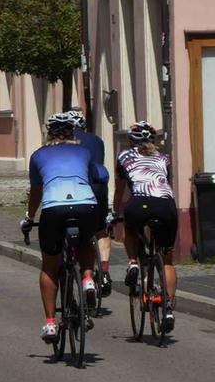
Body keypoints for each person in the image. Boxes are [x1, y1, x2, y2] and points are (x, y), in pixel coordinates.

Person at [21, 112, 106, 343]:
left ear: (49, 134)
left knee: (50, 265)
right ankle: (88, 278)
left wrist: (29, 217)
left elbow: (37, 191)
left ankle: (50, 324)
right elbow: (92, 179)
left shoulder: (38, 155)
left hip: (54, 209)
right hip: (85, 205)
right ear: (72, 133)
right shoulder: (84, 152)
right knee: (86, 241)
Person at [113, 121, 177, 333]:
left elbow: (120, 189)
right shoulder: (163, 158)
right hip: (166, 206)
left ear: (131, 140)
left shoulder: (124, 157)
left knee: (130, 228)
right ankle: (168, 308)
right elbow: (164, 183)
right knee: (167, 259)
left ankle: (132, 261)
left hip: (139, 203)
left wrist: (115, 213)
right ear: (154, 140)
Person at [66, 110, 112, 296]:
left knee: (70, 226)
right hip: (98, 188)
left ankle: (75, 265)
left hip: (74, 190)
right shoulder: (97, 141)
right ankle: (105, 270)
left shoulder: (61, 144)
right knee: (100, 230)